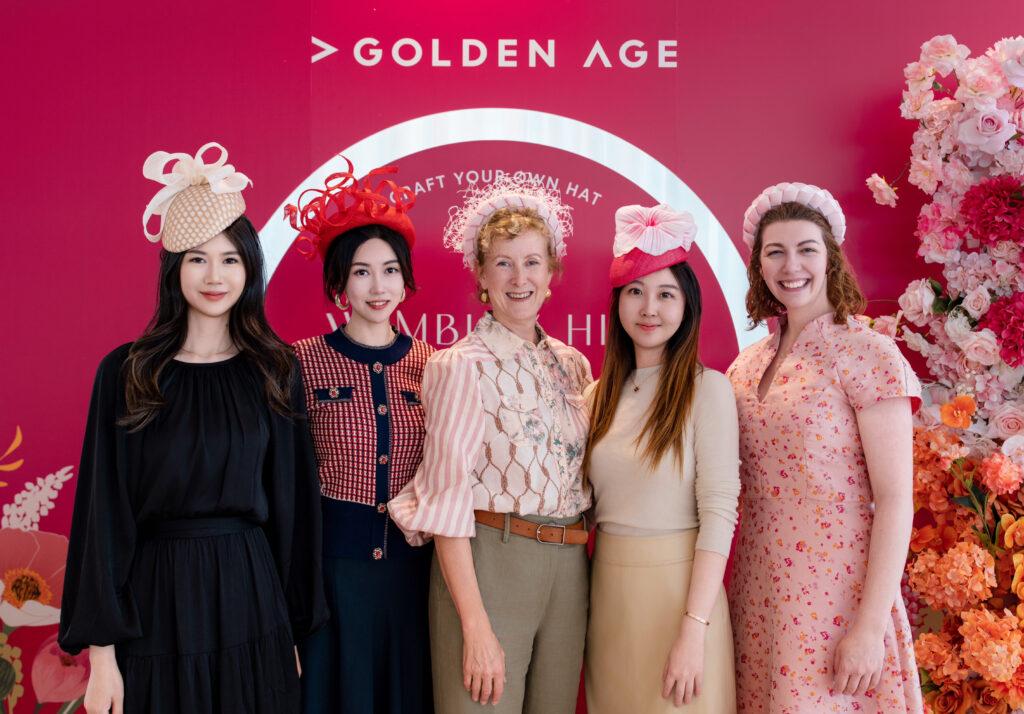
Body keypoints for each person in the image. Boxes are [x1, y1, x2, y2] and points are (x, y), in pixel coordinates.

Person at [58, 143, 328, 714]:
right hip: (155, 603)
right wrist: (102, 657)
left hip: (252, 598)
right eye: (197, 259)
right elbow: (101, 514)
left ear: (250, 269)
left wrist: (294, 628)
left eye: (231, 259)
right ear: (173, 268)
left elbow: (293, 506)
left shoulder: (274, 369)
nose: (215, 275)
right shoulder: (127, 372)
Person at [389, 176, 591, 714]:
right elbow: (448, 501)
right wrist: (475, 625)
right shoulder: (459, 365)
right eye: (503, 262)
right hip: (491, 566)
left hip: (572, 570)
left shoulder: (573, 366)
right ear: (481, 274)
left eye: (532, 262)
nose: (519, 277)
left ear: (552, 273)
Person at [726, 182, 923, 713]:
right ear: (760, 267)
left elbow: (897, 499)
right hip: (756, 596)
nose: (792, 265)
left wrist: (870, 625)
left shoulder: (869, 353)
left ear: (830, 258)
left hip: (838, 602)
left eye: (806, 249)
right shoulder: (744, 367)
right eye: (776, 252)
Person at [285, 160, 434, 713]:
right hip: (332, 576)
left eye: (391, 270)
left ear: (406, 279)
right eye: (362, 272)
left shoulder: (433, 365)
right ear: (338, 283)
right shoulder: (300, 361)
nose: (378, 286)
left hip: (413, 573)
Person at [584, 204, 740, 713]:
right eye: (636, 292)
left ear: (687, 307)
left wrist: (694, 632)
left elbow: (719, 514)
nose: (649, 308)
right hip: (607, 598)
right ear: (618, 303)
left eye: (665, 294)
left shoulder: (708, 391)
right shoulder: (595, 396)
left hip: (680, 602)